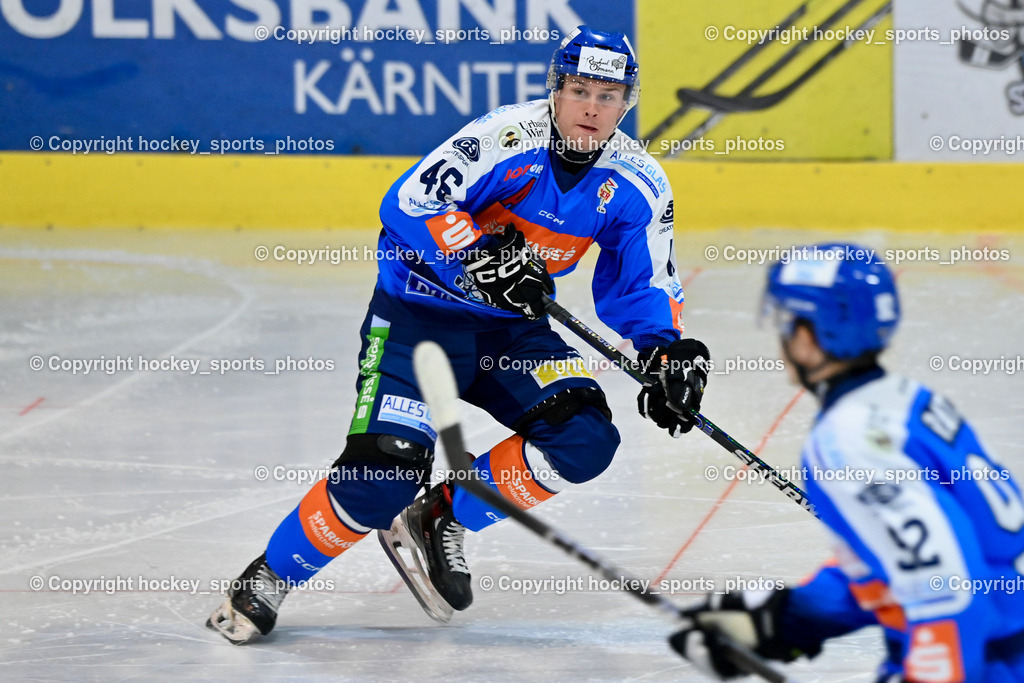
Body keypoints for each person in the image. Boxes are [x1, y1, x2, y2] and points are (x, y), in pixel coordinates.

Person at [207, 25, 711, 643]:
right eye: (579, 89)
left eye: (609, 97)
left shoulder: (638, 181)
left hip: (510, 334)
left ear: (627, 105)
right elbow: (410, 202)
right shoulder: (504, 137)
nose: (591, 108)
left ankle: (445, 513)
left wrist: (666, 349)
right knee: (382, 473)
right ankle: (269, 578)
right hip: (420, 319)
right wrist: (475, 251)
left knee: (583, 440)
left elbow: (643, 282)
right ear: (554, 89)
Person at [671, 244, 1024, 681]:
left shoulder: (848, 440)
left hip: (989, 661)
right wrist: (794, 616)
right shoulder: (908, 400)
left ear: (808, 338)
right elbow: (908, 558)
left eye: (786, 324)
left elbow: (948, 591)